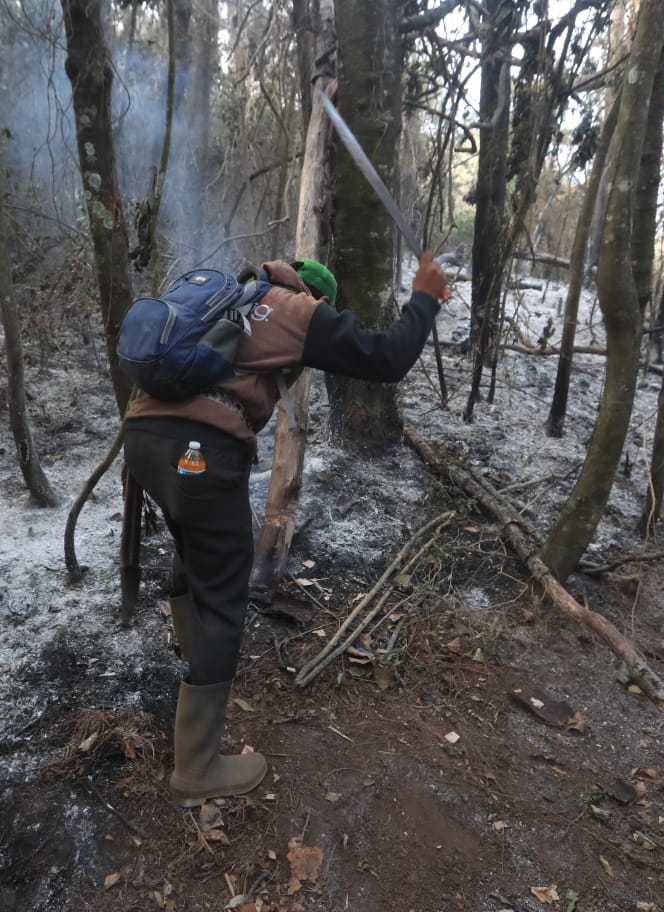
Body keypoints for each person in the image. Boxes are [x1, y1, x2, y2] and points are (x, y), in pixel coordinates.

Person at [123, 253, 448, 806]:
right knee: (226, 597)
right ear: (320, 298)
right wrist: (423, 298)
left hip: (144, 439)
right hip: (200, 450)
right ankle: (196, 767)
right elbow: (388, 357)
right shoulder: (298, 312)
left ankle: (193, 663)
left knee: (194, 548)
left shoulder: (230, 291)